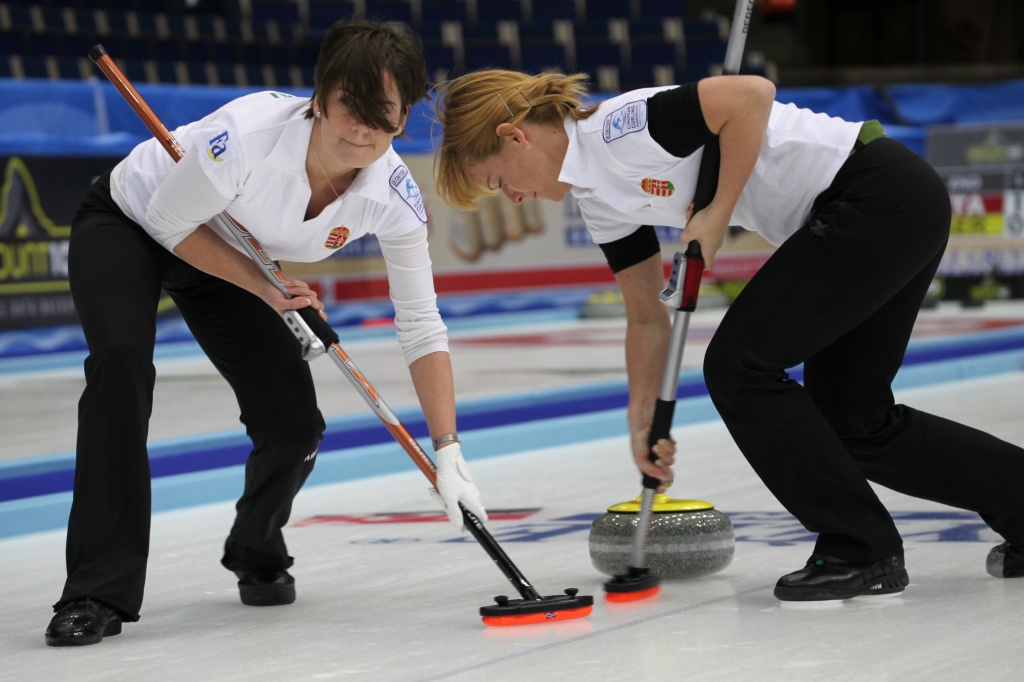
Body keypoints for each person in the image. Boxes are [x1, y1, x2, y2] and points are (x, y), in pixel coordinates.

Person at [432, 68, 1024, 602]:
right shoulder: (599, 200)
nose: (510, 196)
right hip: (882, 207)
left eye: (496, 180)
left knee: (738, 367)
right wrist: (644, 418)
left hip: (875, 195)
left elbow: (749, 94)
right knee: (854, 420)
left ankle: (859, 548)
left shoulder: (616, 131)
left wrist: (715, 214)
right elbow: (644, 314)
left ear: (515, 137)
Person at [46, 19, 487, 647]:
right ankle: (95, 591)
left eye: (380, 114)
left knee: (293, 424)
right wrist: (265, 290)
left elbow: (420, 324)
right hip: (134, 224)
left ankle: (255, 541)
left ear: (407, 111)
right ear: (319, 93)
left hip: (229, 253)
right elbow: (171, 222)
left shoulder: (394, 196)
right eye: (347, 108)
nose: (360, 129)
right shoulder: (247, 136)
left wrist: (448, 451)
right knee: (120, 365)